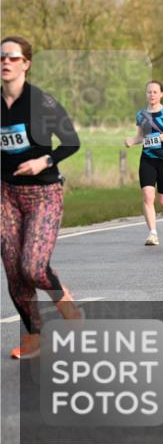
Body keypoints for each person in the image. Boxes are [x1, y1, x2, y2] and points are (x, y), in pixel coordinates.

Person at [2, 36, 82, 359]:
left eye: (12, 57)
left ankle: (67, 304)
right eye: (1, 58)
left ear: (26, 63)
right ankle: (34, 336)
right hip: (6, 193)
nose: (5, 62)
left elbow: (71, 142)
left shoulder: (41, 103)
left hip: (44, 193)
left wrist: (43, 161)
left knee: (33, 266)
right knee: (12, 269)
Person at [124, 81, 163, 246]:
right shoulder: (141, 115)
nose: (151, 95)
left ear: (161, 94)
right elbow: (140, 136)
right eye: (148, 92)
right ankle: (153, 234)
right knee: (147, 196)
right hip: (148, 159)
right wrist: (132, 140)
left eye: (154, 92)